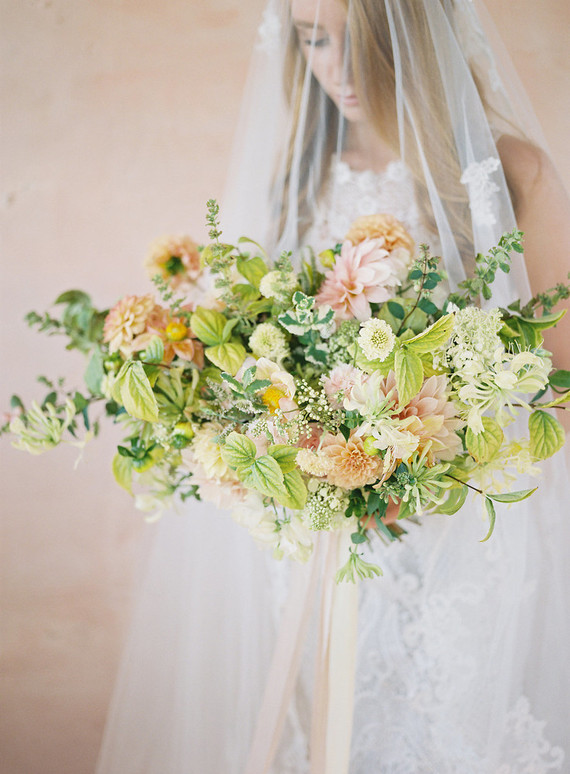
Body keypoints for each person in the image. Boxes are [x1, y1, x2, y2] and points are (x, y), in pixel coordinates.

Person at [96, 2, 570, 772]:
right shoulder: (299, 179)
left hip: (465, 540)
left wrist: (427, 456)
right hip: (323, 533)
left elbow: (558, 388)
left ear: (419, 38)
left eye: (365, 43)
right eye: (314, 40)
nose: (338, 70)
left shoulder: (507, 174)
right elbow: (262, 359)